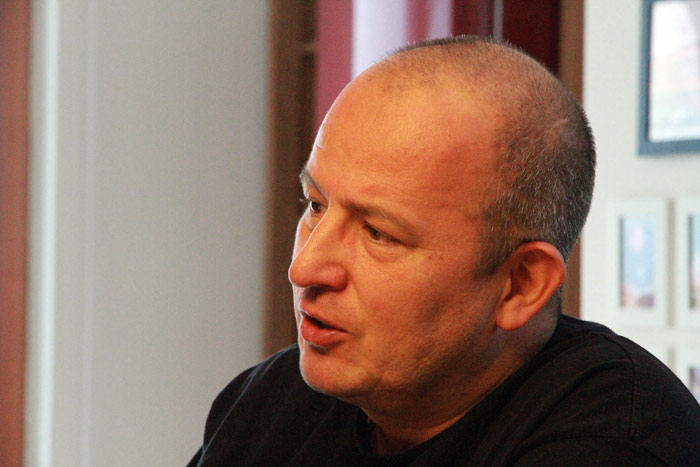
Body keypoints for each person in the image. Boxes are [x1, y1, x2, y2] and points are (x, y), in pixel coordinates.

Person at [188, 36, 700, 466]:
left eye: (378, 234)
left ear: (520, 285)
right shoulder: (269, 401)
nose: (305, 268)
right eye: (315, 205)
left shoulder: (613, 438)